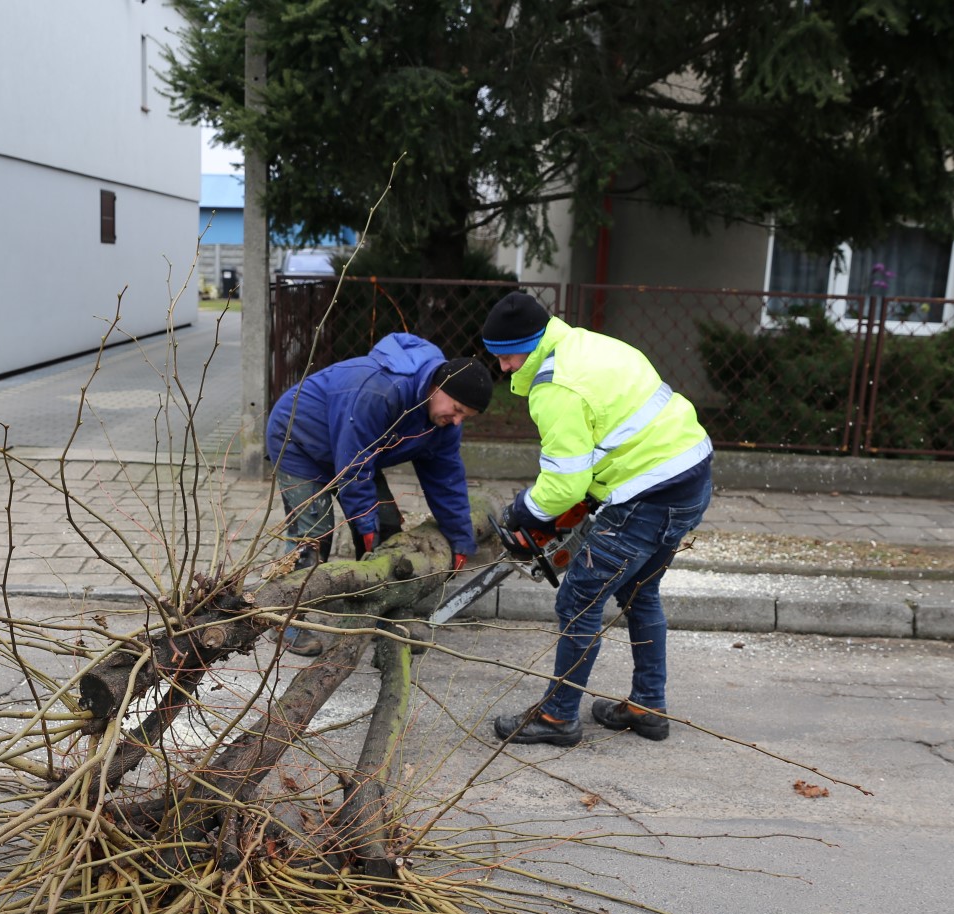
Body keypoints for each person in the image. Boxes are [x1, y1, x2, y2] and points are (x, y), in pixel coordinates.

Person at [481, 291, 713, 747]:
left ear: (530, 343)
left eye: (507, 357)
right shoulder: (589, 344)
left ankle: (557, 717)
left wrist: (524, 512)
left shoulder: (555, 389)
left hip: (646, 496)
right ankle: (648, 705)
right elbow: (612, 436)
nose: (504, 368)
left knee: (578, 602)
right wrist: (582, 501)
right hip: (691, 478)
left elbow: (564, 484)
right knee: (640, 593)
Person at [265, 333, 493, 655]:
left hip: (351, 450)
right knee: (313, 536)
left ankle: (377, 610)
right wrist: (364, 526)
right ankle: (283, 621)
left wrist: (460, 538)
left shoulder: (442, 423)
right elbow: (354, 467)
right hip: (299, 440)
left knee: (387, 526)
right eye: (456, 410)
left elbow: (447, 481)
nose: (456, 421)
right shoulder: (382, 391)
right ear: (438, 387)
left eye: (464, 417)